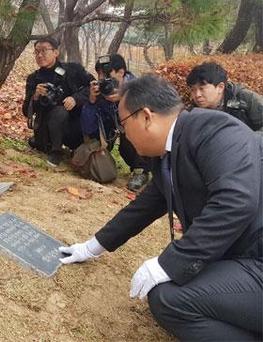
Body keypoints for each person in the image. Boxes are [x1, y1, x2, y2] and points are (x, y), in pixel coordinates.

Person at [60, 74, 262, 341]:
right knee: (168, 293)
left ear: (145, 116)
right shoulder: (169, 151)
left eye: (123, 126)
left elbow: (235, 202)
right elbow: (145, 206)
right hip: (239, 258)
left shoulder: (217, 132)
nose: (124, 135)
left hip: (255, 259)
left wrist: (168, 264)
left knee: (169, 299)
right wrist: (91, 247)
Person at [80, 54, 150, 191]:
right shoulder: (101, 90)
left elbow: (151, 118)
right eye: (99, 74)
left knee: (129, 139)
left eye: (106, 74)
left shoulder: (139, 87)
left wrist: (125, 98)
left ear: (121, 72)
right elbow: (87, 128)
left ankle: (141, 171)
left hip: (135, 133)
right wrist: (91, 102)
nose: (102, 78)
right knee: (92, 138)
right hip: (109, 132)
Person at [22, 38, 93, 166]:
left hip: (74, 125)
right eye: (36, 52)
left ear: (56, 52)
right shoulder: (34, 79)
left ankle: (68, 148)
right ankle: (55, 150)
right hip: (47, 126)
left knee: (63, 111)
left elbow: (92, 86)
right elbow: (26, 111)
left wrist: (76, 98)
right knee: (58, 112)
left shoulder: (73, 70)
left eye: (44, 51)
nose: (39, 55)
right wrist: (36, 96)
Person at [187, 62, 263, 136]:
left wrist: (248, 141)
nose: (197, 95)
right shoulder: (193, 112)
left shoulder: (246, 99)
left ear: (220, 87)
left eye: (202, 89)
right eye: (193, 90)